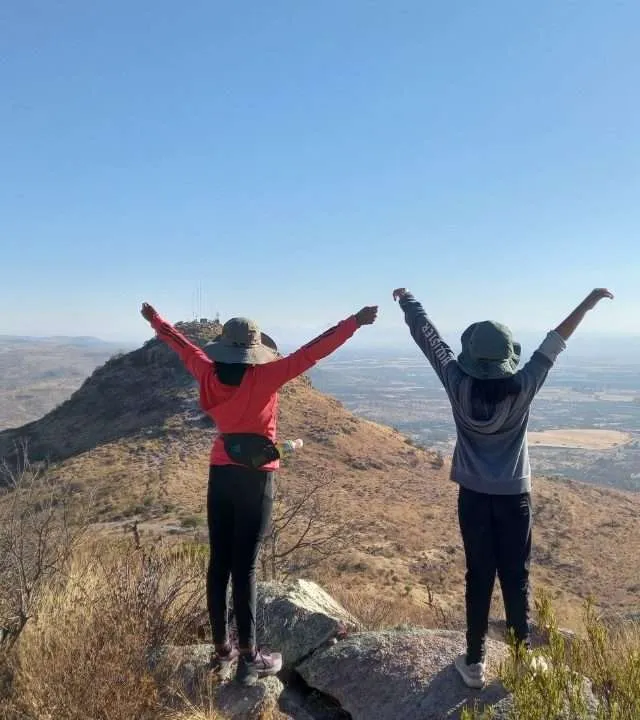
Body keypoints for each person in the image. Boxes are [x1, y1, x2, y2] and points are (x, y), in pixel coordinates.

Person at [140, 302, 378, 685]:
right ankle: (251, 658)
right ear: (253, 348)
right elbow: (313, 350)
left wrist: (156, 320)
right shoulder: (267, 375)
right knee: (245, 567)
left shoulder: (206, 369)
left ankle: (222, 652)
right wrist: (354, 322)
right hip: (257, 478)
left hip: (221, 472)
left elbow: (181, 343)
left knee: (219, 564)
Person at [392, 287, 613, 689]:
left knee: (478, 575)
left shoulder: (457, 382)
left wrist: (409, 302)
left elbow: (430, 339)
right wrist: (589, 301)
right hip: (515, 499)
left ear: (473, 358)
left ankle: (474, 662)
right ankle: (522, 658)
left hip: (473, 498)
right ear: (508, 357)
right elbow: (555, 342)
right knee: (517, 575)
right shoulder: (525, 385)